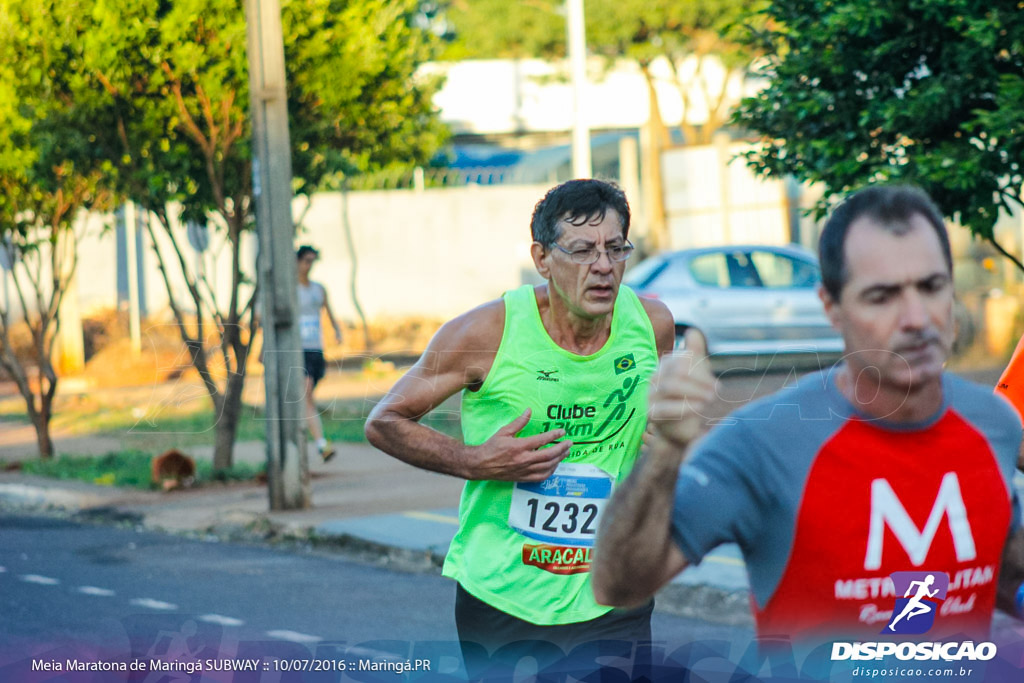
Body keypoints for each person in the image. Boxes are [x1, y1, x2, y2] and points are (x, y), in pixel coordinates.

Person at [592, 185, 1024, 646]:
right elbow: (618, 585)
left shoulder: (993, 424)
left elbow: (994, 569)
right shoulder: (761, 442)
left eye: (931, 286)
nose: (916, 317)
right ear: (831, 308)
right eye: (882, 296)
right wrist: (666, 451)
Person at [364, 179, 674, 675]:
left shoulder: (651, 324)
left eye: (615, 249)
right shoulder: (486, 333)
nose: (603, 266)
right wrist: (474, 461)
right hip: (506, 596)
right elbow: (385, 421)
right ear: (543, 258)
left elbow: (660, 423)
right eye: (582, 250)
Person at [295, 245, 342, 462]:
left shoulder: (318, 289)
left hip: (316, 349)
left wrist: (337, 330)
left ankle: (302, 433)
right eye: (306, 260)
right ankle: (321, 444)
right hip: (298, 349)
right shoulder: (291, 290)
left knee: (305, 399)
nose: (309, 265)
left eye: (313, 261)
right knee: (306, 397)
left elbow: (329, 311)